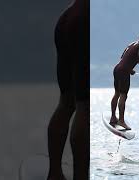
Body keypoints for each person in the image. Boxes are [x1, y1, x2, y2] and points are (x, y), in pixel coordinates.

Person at [47, 0, 89, 180]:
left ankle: (54, 174)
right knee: (85, 106)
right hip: (84, 21)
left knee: (66, 102)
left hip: (67, 18)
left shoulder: (70, 16)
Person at [110, 32, 139, 130]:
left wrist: (130, 69)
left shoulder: (132, 44)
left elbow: (123, 57)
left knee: (117, 93)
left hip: (117, 68)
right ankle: (121, 121)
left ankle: (113, 117)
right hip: (123, 71)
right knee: (123, 95)